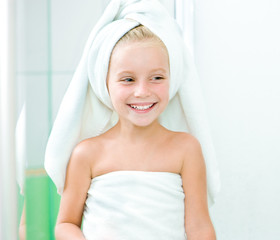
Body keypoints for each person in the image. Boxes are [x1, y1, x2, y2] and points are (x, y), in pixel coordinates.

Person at [45, 0, 221, 239]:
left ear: (173, 78)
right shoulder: (87, 154)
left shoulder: (186, 149)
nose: (142, 91)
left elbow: (200, 227)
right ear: (104, 83)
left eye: (156, 77)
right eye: (128, 79)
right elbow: (65, 224)